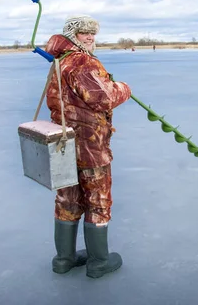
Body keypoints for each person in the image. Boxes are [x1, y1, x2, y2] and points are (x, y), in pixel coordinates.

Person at [44, 15, 132, 278]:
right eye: (84, 33)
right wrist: (122, 88)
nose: (90, 38)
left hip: (64, 143)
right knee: (97, 199)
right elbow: (101, 98)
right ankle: (98, 262)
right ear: (73, 36)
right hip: (89, 145)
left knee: (67, 199)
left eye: (92, 33)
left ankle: (64, 259)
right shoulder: (82, 61)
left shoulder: (60, 61)